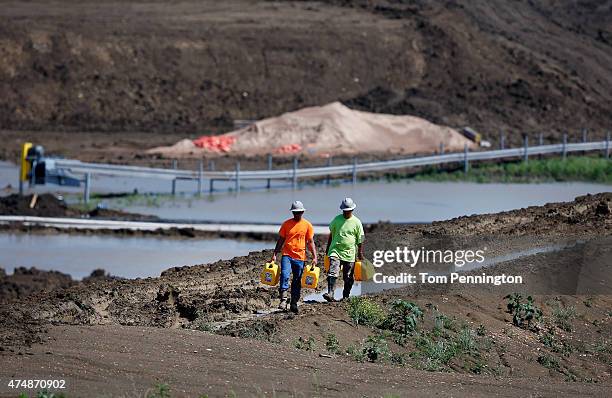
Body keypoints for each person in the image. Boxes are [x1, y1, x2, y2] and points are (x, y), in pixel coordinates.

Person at [271, 200, 317, 314]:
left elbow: (310, 242)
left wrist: (315, 257)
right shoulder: (286, 224)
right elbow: (281, 240)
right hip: (287, 254)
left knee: (297, 280)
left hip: (300, 257)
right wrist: (274, 254)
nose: (297, 214)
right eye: (295, 212)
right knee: (285, 275)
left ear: (302, 212)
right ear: (292, 213)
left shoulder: (307, 225)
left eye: (299, 212)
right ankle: (283, 299)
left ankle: (294, 303)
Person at [323, 197, 364, 302]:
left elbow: (361, 238)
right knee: (333, 271)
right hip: (335, 250)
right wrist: (328, 250)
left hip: (350, 253)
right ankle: (330, 293)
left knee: (348, 276)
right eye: (345, 211)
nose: (346, 213)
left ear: (352, 210)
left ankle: (346, 296)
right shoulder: (337, 220)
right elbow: (331, 234)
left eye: (348, 211)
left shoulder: (357, 222)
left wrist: (360, 252)